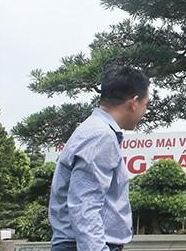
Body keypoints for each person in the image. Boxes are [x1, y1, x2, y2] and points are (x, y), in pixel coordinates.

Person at [48, 66, 150, 251]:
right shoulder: (101, 136)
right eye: (146, 104)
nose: (145, 111)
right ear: (134, 102)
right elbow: (85, 205)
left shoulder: (93, 130)